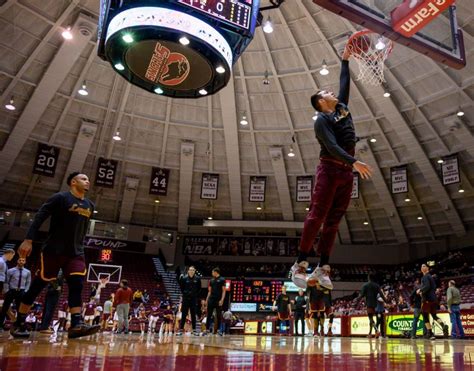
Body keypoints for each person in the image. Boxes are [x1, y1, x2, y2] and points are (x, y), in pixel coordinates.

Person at [290, 43, 373, 289]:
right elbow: (332, 146)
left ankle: (322, 268)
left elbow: (345, 84)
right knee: (317, 217)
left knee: (334, 222)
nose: (332, 92)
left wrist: (345, 60)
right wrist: (354, 161)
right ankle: (300, 263)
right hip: (329, 169)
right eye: (326, 92)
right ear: (320, 102)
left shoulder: (342, 109)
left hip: (346, 173)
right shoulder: (322, 121)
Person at [10, 172, 100, 339]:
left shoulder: (89, 205)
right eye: (84, 179)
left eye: (88, 179)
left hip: (76, 252)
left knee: (77, 285)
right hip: (53, 250)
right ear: (73, 182)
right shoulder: (60, 198)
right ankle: (19, 322)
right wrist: (28, 239)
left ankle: (76, 324)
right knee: (38, 285)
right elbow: (40, 217)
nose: (88, 181)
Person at [417, 264, 448, 340]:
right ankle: (443, 325)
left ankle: (430, 333)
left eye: (424, 266)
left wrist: (420, 290)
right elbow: (432, 287)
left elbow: (427, 286)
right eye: (421, 266)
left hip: (427, 300)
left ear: (427, 268)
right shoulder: (431, 277)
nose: (422, 267)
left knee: (425, 316)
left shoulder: (425, 277)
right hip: (434, 299)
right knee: (434, 315)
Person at [0, 257, 31, 328]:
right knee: (5, 308)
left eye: (23, 260)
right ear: (17, 261)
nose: (21, 261)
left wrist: (25, 291)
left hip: (21, 291)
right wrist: (7, 290)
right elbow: (6, 281)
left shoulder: (27, 272)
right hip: (11, 290)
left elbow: (28, 283)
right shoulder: (10, 271)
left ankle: (18, 325)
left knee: (19, 309)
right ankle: (0, 325)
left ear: (25, 262)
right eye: (20, 260)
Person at [177, 266, 201, 336]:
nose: (191, 271)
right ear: (188, 271)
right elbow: (181, 287)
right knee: (184, 314)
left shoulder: (197, 279)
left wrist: (195, 294)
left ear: (195, 271)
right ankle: (181, 330)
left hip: (193, 299)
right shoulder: (184, 278)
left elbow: (199, 288)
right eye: (190, 270)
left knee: (193, 314)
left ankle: (194, 330)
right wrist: (185, 293)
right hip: (186, 299)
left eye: (193, 270)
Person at [204, 268, 226, 336]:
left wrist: (222, 300)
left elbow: (224, 291)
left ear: (216, 272)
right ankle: (207, 329)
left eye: (212, 272)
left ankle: (219, 330)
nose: (212, 273)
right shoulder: (211, 280)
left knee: (219, 315)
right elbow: (209, 291)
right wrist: (206, 300)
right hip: (211, 299)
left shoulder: (222, 279)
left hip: (218, 300)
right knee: (209, 315)